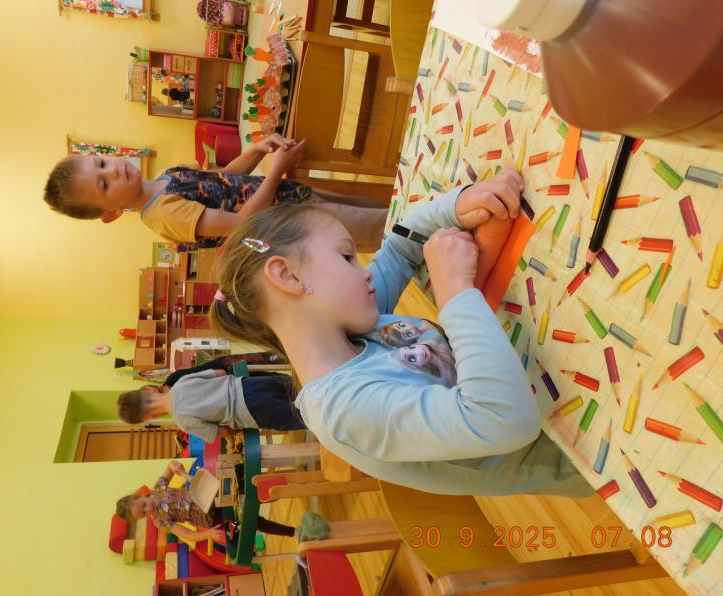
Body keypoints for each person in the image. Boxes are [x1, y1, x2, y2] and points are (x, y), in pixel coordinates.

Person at [208, 168, 594, 498]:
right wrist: (455, 291)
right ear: (289, 276)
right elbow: (503, 419)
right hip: (584, 449)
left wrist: (458, 205)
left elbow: (399, 247)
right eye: (346, 257)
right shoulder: (343, 410)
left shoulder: (349, 325)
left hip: (554, 379)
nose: (363, 272)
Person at [43, 134, 388, 251]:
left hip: (293, 196)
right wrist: (276, 169)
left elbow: (224, 179)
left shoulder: (167, 175)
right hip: (295, 224)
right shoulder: (163, 215)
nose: (114, 170)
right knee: (384, 229)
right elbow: (242, 223)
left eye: (102, 162)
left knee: (377, 208)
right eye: (104, 184)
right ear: (112, 213)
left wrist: (256, 151)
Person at [115, 460, 296, 544]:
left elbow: (170, 466)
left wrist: (176, 465)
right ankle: (294, 532)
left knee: (251, 493)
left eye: (144, 505)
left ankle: (289, 485)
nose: (148, 509)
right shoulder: (160, 521)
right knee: (252, 522)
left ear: (141, 496)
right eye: (144, 514)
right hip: (212, 519)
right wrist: (207, 534)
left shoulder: (158, 488)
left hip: (211, 495)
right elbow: (187, 533)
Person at [117, 366, 305, 443]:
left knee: (303, 416)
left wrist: (235, 428)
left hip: (249, 411)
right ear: (150, 390)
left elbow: (222, 432)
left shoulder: (183, 421)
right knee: (300, 385)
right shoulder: (181, 382)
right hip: (247, 385)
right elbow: (220, 373)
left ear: (148, 418)